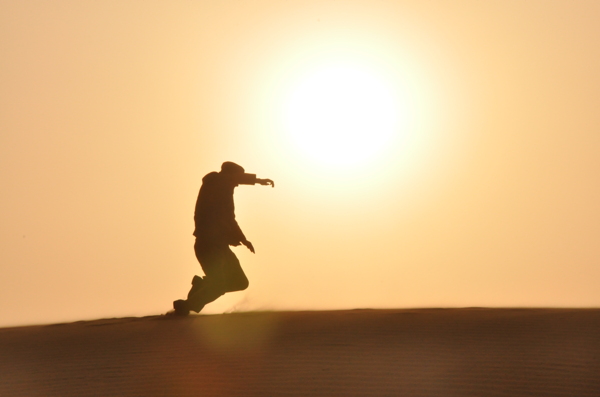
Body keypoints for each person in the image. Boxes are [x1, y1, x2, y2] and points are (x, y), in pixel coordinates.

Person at [172, 161, 274, 315]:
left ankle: (201, 285)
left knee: (240, 282)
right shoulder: (213, 181)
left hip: (222, 246)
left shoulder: (224, 193)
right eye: (237, 179)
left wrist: (243, 239)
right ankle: (185, 307)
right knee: (219, 284)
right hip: (208, 244)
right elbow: (225, 180)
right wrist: (256, 180)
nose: (237, 185)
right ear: (229, 175)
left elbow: (231, 219)